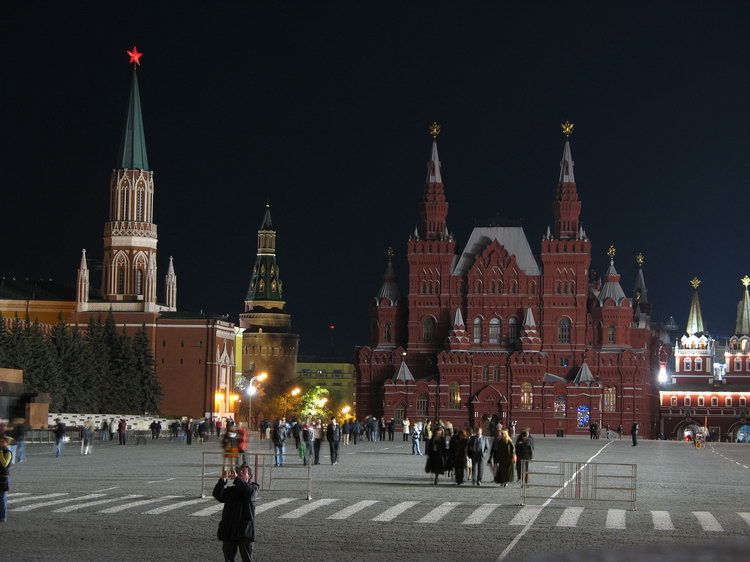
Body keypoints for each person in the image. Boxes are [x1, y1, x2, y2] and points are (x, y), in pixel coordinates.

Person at [213, 464, 259, 562]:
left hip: (244, 530)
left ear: (249, 476)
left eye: (243, 472)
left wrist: (237, 479)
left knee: (247, 558)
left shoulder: (253, 488)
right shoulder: (232, 489)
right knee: (228, 558)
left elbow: (248, 493)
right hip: (229, 528)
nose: (240, 473)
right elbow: (218, 495)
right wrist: (223, 479)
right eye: (239, 472)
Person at [0, 436, 12, 522]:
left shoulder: (8, 452)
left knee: (2, 498)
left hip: (3, 477)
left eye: (3, 442)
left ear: (7, 443)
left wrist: (0, 453)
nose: (1, 443)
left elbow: (5, 464)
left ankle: (3, 517)